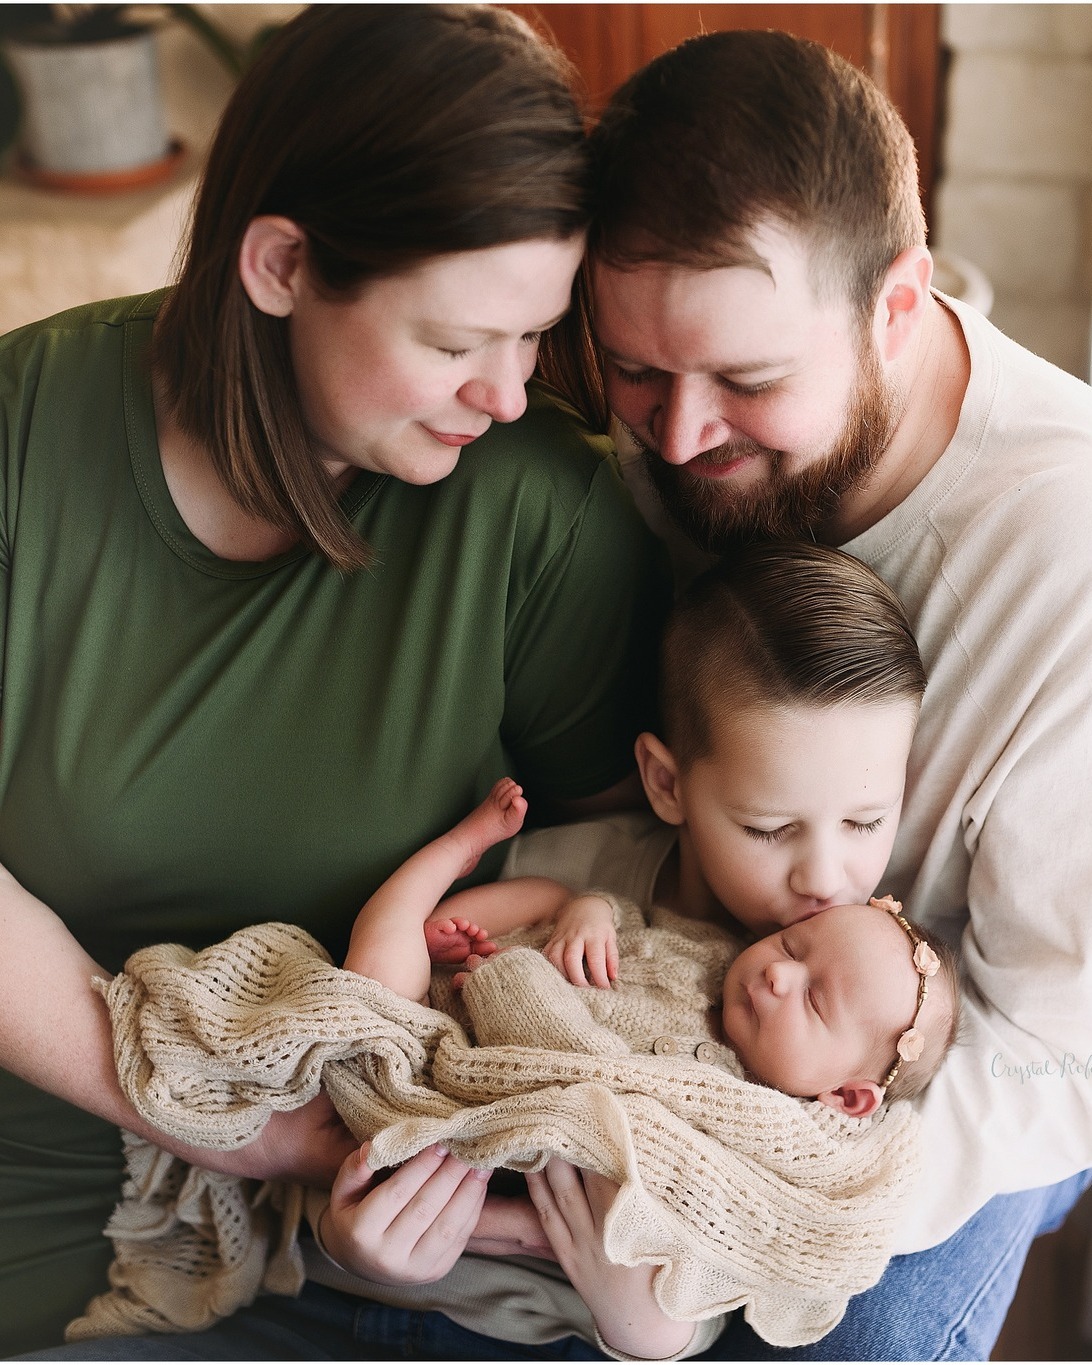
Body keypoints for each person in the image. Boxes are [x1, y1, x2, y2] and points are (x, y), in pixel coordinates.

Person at [0, 4, 670, 1355]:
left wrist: (403, 1150)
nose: (507, 392)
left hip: (380, 1214)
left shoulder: (537, 513)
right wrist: (235, 1129)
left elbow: (620, 894)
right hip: (56, 1164)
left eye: (535, 335)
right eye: (453, 341)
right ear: (283, 263)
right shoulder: (25, 435)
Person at [53, 541, 952, 1361]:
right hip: (336, 1270)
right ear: (667, 783)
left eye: (868, 822)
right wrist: (343, 1225)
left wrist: (615, 1295)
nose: (822, 876)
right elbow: (409, 996)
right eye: (768, 827)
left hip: (531, 1331)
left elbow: (697, 1286)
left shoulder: (830, 1052)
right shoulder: (585, 868)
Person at [564, 26, 1092, 1361]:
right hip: (688, 984)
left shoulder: (1064, 558)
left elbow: (1052, 1057)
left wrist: (729, 1214)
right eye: (634, 371)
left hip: (961, 1059)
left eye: (747, 381)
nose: (678, 439)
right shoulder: (651, 454)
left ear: (898, 307)